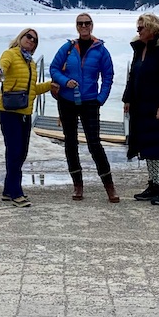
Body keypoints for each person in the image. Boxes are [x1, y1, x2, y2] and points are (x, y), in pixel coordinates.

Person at [49, 13, 119, 202]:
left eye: (87, 23)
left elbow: (108, 76)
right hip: (67, 101)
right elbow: (53, 69)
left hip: (89, 102)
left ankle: (109, 186)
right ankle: (77, 185)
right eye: (80, 23)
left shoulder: (101, 50)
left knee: (94, 144)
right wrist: (65, 82)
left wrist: (100, 99)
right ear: (76, 26)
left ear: (92, 25)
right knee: (70, 142)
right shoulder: (68, 48)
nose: (84, 26)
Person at [122, 12, 159, 205]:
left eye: (141, 28)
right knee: (148, 145)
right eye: (137, 28)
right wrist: (128, 99)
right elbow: (133, 76)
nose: (138, 31)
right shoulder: (140, 50)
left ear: (152, 29)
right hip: (142, 107)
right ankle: (154, 184)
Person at [0, 27, 50, 207]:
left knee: (21, 152)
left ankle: (7, 190)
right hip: (9, 111)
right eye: (29, 37)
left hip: (25, 113)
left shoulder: (31, 63)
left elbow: (32, 90)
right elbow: (2, 66)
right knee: (14, 151)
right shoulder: (10, 54)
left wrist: (51, 85)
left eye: (35, 40)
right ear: (21, 37)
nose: (31, 41)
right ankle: (16, 193)